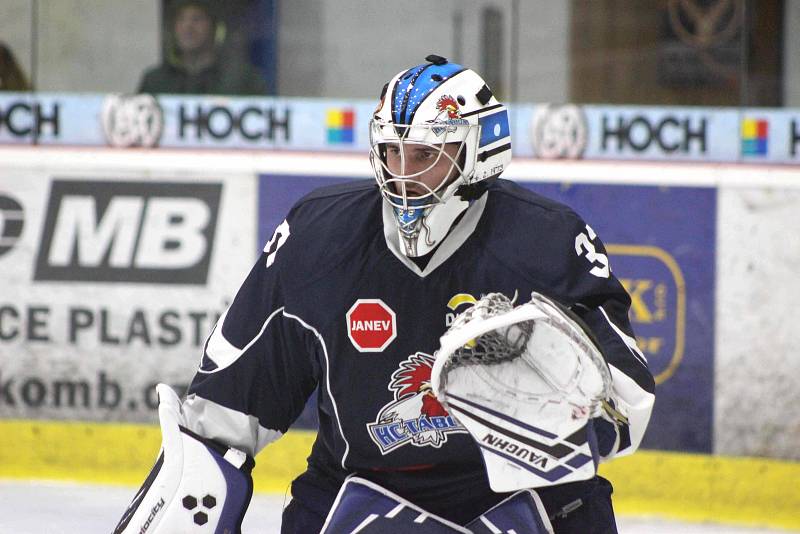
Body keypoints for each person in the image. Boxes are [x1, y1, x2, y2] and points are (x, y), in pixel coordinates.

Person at [118, 55, 655, 533]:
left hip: (524, 504)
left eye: (425, 155)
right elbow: (224, 415)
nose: (403, 176)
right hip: (360, 495)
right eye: (392, 153)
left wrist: (562, 416)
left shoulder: (548, 240)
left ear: (478, 155)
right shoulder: (318, 238)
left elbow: (626, 400)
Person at [137, 0, 268, 96]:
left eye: (197, 19)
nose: (187, 26)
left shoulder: (244, 81)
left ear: (216, 29)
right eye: (181, 19)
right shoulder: (155, 81)